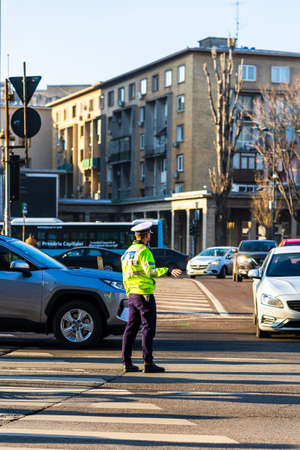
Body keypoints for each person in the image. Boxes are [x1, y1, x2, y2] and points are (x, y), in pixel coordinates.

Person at [121, 221, 182, 374]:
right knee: (148, 328)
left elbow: (126, 276)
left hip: (133, 294)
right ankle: (148, 363)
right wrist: (168, 271)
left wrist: (129, 292)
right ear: (146, 235)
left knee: (130, 328)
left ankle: (127, 362)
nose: (149, 237)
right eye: (149, 235)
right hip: (145, 294)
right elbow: (150, 272)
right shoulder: (144, 251)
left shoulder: (127, 252)